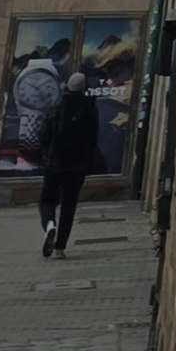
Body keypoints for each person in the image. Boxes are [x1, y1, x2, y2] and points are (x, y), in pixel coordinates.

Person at [38, 63, 104, 255]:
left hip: (55, 163)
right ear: (84, 88)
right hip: (77, 167)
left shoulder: (57, 106)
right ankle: (60, 247)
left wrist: (47, 154)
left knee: (47, 200)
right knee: (69, 204)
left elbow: (43, 134)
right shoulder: (90, 110)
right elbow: (93, 139)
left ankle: (50, 224)